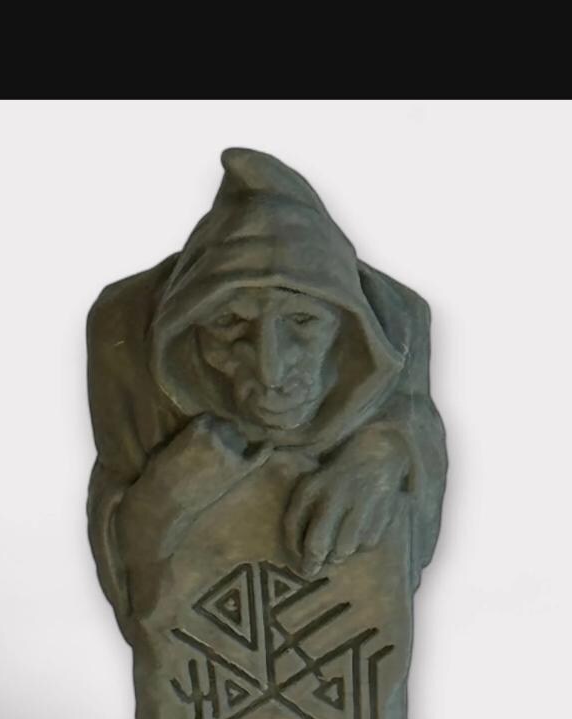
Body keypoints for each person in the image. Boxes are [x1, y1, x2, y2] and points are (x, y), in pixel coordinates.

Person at [86, 147, 447, 633]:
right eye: (229, 323)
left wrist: (390, 451)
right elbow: (127, 568)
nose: (271, 369)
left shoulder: (399, 323)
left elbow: (415, 424)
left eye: (303, 321)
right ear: (188, 330)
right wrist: (165, 498)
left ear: (351, 328)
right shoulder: (124, 332)